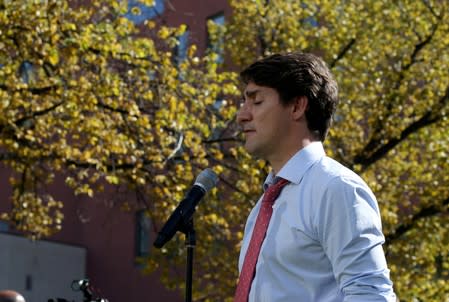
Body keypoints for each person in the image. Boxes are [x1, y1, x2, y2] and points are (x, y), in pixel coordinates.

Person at [233, 52, 396, 302]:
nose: (242, 115)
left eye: (256, 102)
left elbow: (371, 295)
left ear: (297, 107)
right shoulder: (264, 205)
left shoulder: (337, 189)